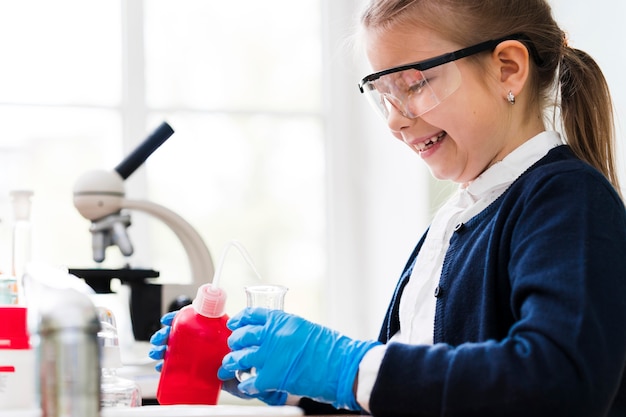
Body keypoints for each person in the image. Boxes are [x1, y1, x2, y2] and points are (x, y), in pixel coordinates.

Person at [149, 0, 626, 415]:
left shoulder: (567, 200)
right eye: (384, 94)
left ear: (508, 68)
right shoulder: (458, 217)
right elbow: (426, 389)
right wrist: (298, 383)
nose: (396, 121)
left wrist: (344, 366)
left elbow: (560, 384)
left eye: (414, 84)